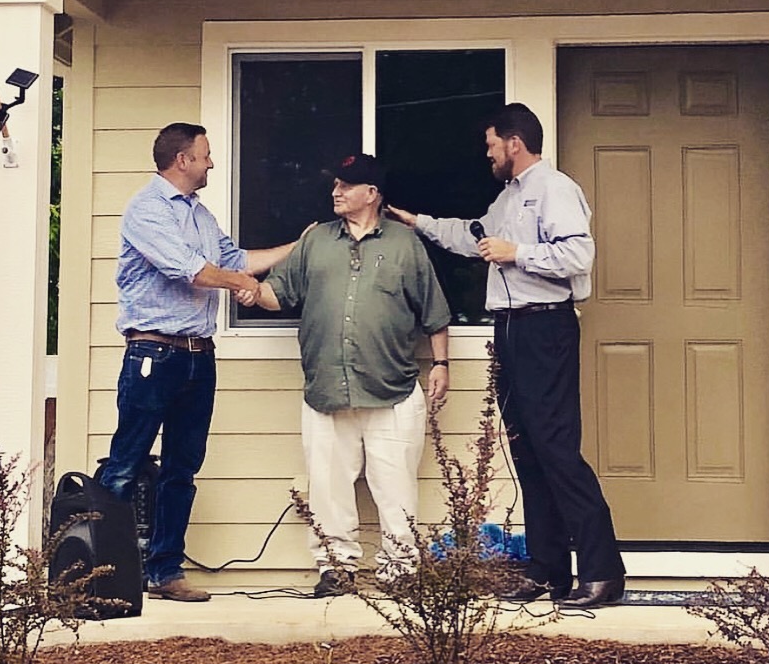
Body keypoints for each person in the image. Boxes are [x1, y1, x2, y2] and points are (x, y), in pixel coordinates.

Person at [387, 103, 625, 609]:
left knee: (556, 447)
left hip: (546, 327)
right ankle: (548, 570)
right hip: (512, 328)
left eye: (492, 144)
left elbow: (578, 256)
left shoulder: (554, 189)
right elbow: (476, 237)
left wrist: (517, 253)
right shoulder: (509, 196)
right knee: (527, 449)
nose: (488, 153)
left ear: (514, 143)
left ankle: (603, 572)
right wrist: (420, 223)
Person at [99, 122, 299, 602]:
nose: (211, 162)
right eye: (205, 155)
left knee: (182, 468)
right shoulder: (147, 211)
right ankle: (99, 577)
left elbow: (238, 260)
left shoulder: (202, 216)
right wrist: (240, 286)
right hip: (153, 353)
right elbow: (192, 271)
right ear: (182, 160)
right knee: (126, 464)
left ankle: (164, 571)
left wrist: (301, 244)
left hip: (197, 357)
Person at [249, 153, 451, 598]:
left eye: (347, 185)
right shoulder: (316, 241)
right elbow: (277, 294)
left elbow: (434, 312)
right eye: (336, 184)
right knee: (327, 487)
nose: (336, 192)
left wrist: (441, 364)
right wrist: (243, 288)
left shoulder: (404, 244)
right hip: (326, 389)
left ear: (372, 194)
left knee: (396, 486)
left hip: (392, 389)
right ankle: (335, 567)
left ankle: (401, 571)